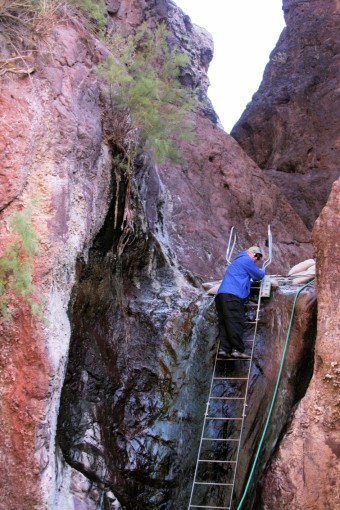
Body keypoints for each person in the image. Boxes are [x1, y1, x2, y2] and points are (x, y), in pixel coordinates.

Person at [215, 246, 265, 359]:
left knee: (224, 323)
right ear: (251, 253)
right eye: (257, 256)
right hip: (232, 295)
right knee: (235, 321)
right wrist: (261, 272)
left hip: (221, 295)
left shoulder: (237, 261)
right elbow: (259, 276)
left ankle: (224, 349)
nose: (257, 260)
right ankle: (237, 349)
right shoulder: (246, 260)